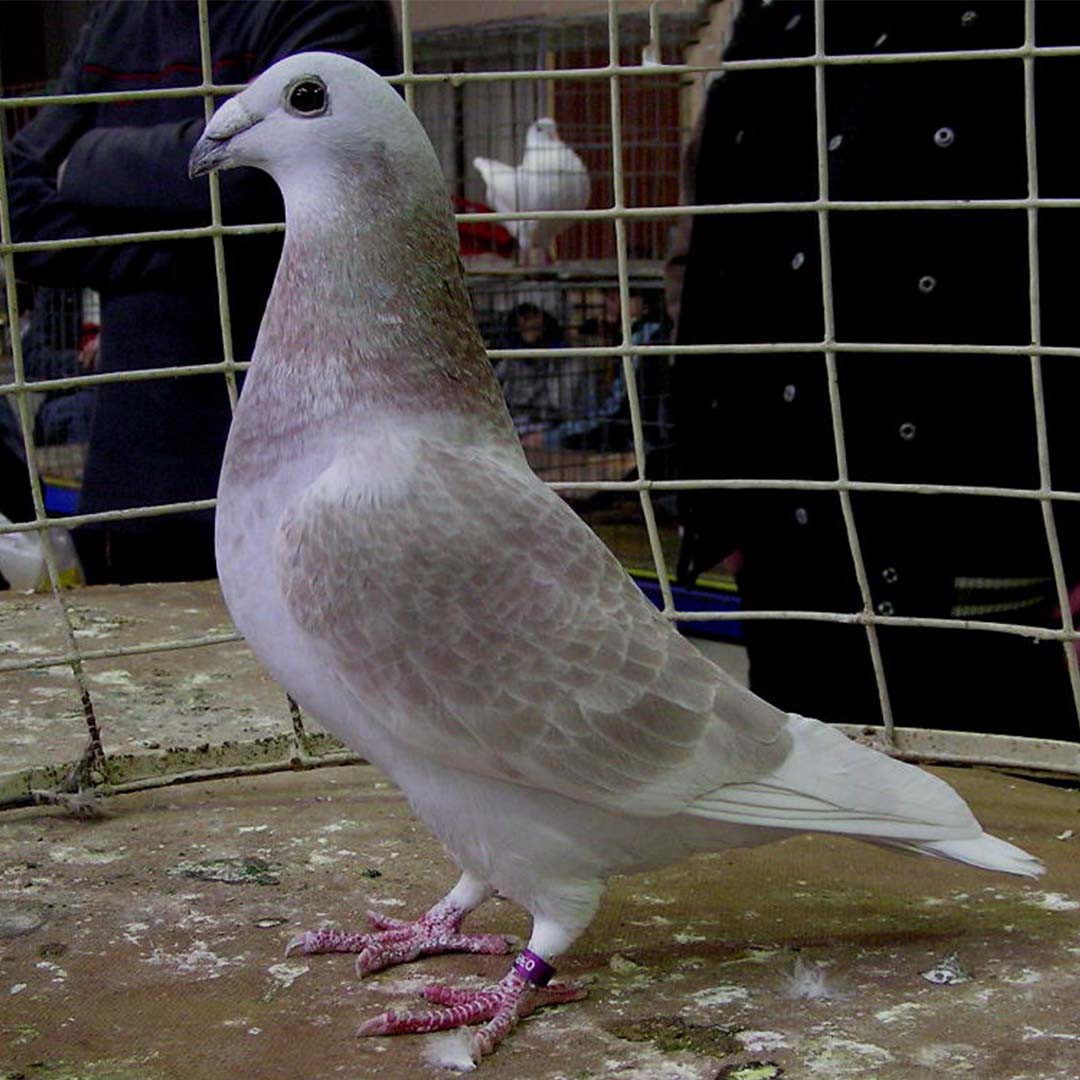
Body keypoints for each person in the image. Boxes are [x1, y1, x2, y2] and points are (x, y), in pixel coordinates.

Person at [671, 0, 1080, 741]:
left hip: (998, 539)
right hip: (793, 533)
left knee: (1006, 794)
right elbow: (717, 255)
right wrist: (716, 488)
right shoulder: (780, 29)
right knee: (817, 797)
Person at [7, 0, 399, 584]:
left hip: (304, 481)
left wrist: (84, 161)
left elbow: (277, 176)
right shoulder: (120, 16)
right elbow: (16, 202)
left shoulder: (327, 8)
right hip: (132, 482)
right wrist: (195, 242)